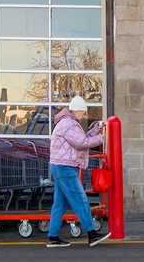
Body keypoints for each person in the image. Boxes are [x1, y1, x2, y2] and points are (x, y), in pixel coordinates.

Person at [46, 96, 108, 248]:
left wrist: (95, 130)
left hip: (60, 166)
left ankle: (53, 237)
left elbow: (82, 138)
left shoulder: (67, 122)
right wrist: (102, 138)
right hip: (65, 168)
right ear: (77, 110)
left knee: (60, 203)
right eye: (83, 112)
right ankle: (92, 234)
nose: (84, 115)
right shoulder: (69, 124)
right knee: (80, 200)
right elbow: (81, 143)